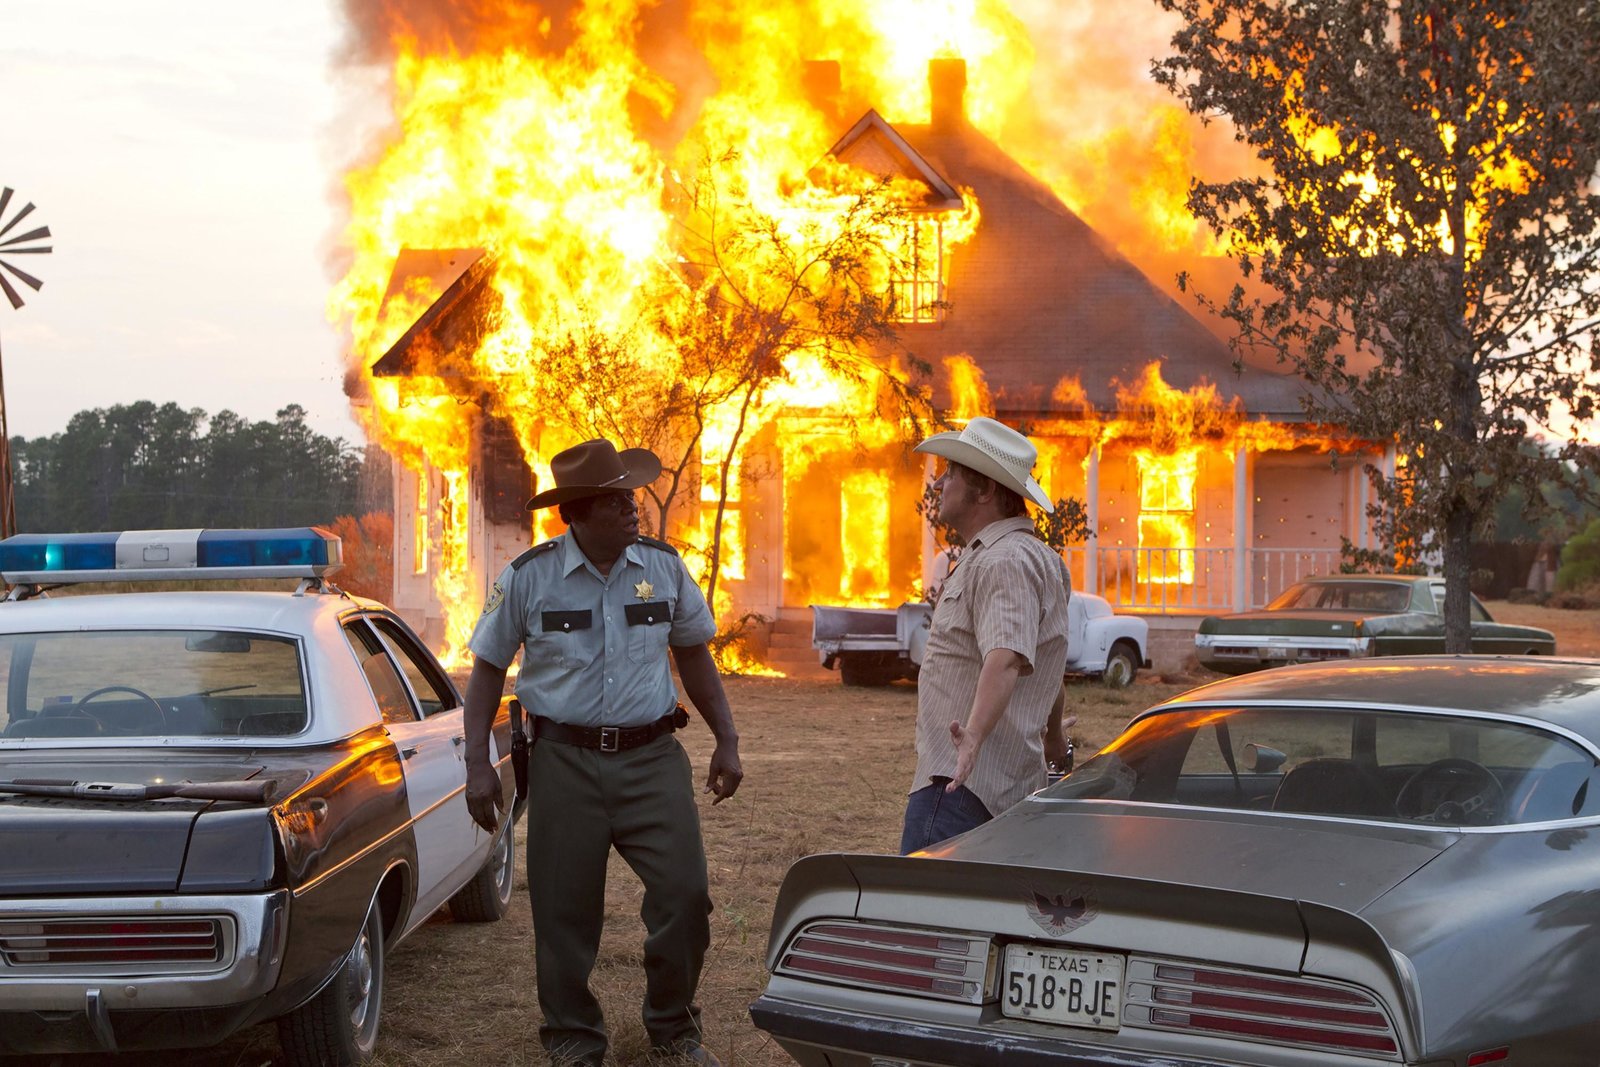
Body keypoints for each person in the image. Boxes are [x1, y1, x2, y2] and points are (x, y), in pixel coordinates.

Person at [461, 438, 743, 1067]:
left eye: (631, 496)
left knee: (686, 893)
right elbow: (486, 669)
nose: (632, 508)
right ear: (579, 513)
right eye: (616, 501)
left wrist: (726, 738)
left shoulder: (662, 567)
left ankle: (673, 1030)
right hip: (564, 763)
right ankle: (573, 1037)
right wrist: (478, 762)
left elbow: (694, 654)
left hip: (652, 759)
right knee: (564, 911)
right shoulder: (529, 576)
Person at [901, 416, 1072, 855]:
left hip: (958, 788)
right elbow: (1043, 667)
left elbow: (1008, 656)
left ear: (986, 490)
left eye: (953, 472)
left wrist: (973, 735)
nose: (940, 483)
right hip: (1000, 794)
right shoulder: (1038, 559)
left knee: (925, 916)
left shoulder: (1001, 561)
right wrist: (1054, 739)